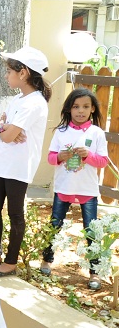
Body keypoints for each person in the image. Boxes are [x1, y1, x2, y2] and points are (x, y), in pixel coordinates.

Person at [0, 47, 52, 278]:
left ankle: (10, 262)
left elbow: (6, 135)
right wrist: (5, 128)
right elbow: (1, 130)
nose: (6, 75)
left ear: (23, 73)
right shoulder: (17, 99)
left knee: (15, 214)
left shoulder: (34, 103)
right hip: (2, 163)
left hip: (19, 167)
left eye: (9, 71)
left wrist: (5, 130)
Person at [42, 88, 108, 289]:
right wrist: (61, 156)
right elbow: (51, 158)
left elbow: (103, 161)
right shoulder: (61, 132)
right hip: (64, 187)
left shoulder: (96, 133)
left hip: (87, 189)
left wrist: (88, 155)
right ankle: (46, 260)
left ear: (92, 109)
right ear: (69, 109)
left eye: (85, 107)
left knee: (91, 231)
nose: (80, 111)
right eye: (76, 107)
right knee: (54, 225)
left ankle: (95, 272)